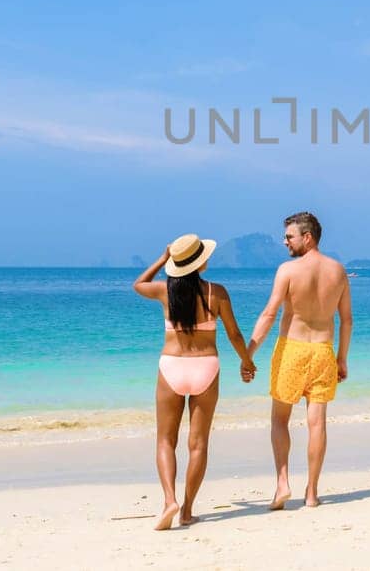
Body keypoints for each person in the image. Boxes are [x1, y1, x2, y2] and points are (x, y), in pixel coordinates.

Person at [133, 233, 257, 530]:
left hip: (172, 365)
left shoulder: (165, 291)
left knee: (165, 439)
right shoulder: (217, 292)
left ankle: (168, 501)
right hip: (206, 367)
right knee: (198, 444)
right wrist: (247, 361)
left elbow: (138, 284)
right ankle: (187, 510)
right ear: (200, 262)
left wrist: (163, 259)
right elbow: (235, 335)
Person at [247, 211, 352, 509]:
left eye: (289, 236)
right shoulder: (338, 271)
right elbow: (347, 321)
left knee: (280, 420)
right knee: (317, 423)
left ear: (307, 237)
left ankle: (282, 483)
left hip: (292, 350)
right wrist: (342, 358)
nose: (285, 242)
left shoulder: (288, 271)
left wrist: (249, 353)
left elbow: (269, 314)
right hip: (323, 351)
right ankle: (312, 493)